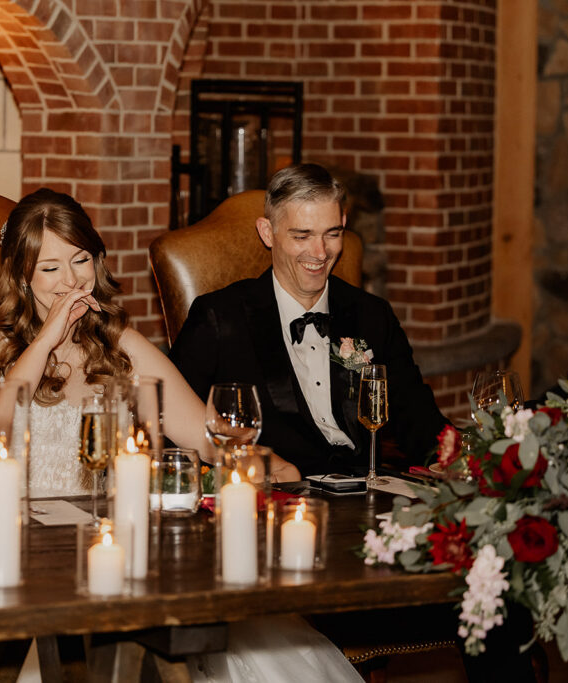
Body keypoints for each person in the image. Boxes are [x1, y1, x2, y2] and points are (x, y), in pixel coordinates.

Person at [0, 188, 360, 683]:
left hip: (106, 554)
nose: (70, 281)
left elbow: (210, 438)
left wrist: (271, 463)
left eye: (81, 260)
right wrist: (42, 345)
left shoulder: (123, 346)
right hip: (4, 551)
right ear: (21, 275)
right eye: (49, 269)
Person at [170, 163, 448, 477]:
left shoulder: (372, 314)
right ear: (267, 232)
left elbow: (418, 418)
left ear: (344, 224)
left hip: (368, 492)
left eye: (332, 234)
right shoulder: (219, 318)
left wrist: (474, 458)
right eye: (302, 236)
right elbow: (175, 429)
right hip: (278, 497)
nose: (319, 252)